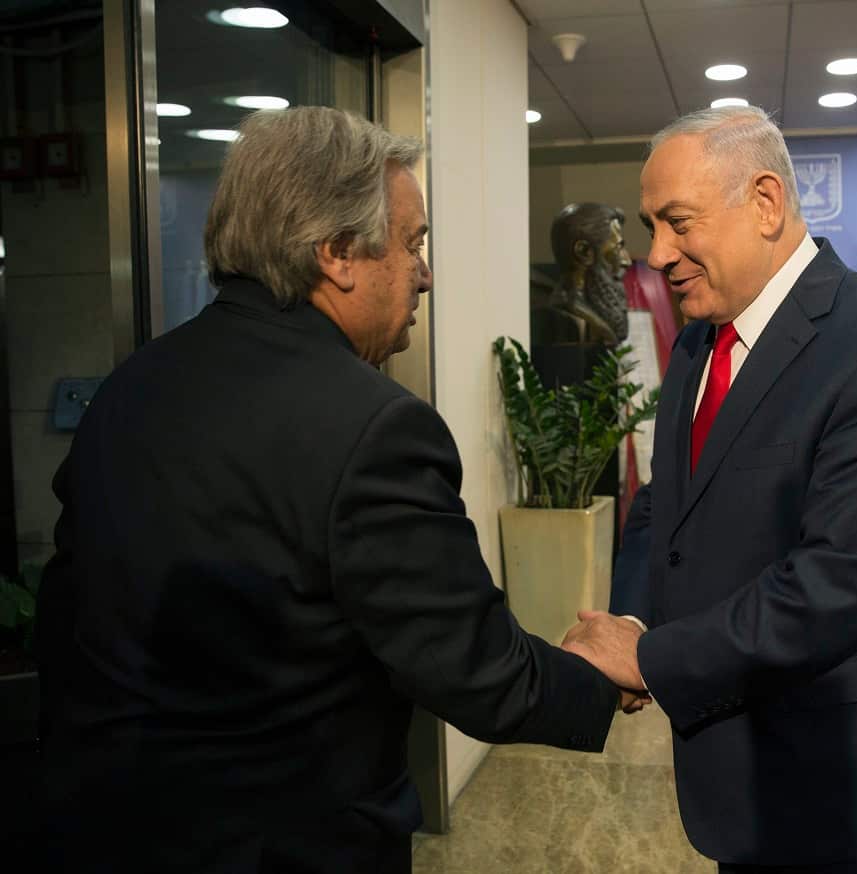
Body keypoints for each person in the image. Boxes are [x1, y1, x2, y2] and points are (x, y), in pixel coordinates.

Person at [36, 106, 636, 874]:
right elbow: (476, 672)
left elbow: (67, 623)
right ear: (338, 253)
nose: (425, 272)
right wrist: (598, 670)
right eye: (414, 244)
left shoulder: (128, 389)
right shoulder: (378, 429)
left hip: (104, 831)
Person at [563, 105, 857, 873]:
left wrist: (651, 657)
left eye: (678, 222)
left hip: (850, 781)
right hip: (735, 767)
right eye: (650, 224)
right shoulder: (698, 340)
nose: (658, 253)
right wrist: (629, 614)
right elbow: (667, 504)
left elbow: (837, 584)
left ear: (765, 202)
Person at [533, 202, 633, 347]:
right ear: (584, 252)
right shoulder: (562, 318)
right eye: (617, 249)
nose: (627, 261)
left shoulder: (597, 314)